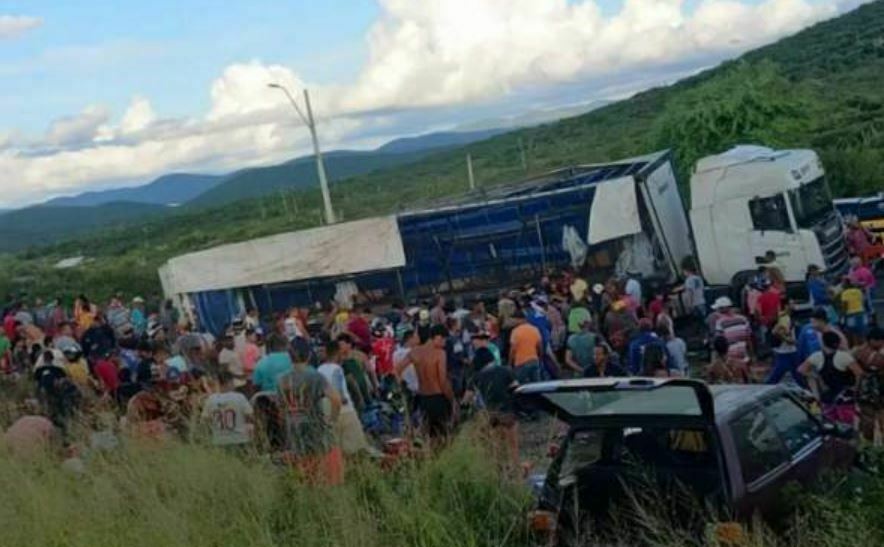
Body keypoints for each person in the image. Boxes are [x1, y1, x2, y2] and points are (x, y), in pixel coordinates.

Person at [277, 338, 343, 485]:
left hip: (294, 429)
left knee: (303, 474)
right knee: (324, 473)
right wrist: (332, 420)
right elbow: (336, 400)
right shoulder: (315, 376)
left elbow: (280, 410)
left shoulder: (281, 379)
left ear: (290, 356)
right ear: (308, 355)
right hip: (315, 429)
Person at [462, 347, 520, 470]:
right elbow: (517, 389)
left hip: (490, 414)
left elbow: (466, 399)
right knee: (512, 446)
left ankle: (497, 470)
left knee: (495, 446)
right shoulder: (506, 371)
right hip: (508, 413)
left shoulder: (476, 377)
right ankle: (515, 470)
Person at [396, 324, 454, 443]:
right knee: (443, 435)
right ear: (438, 337)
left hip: (423, 398)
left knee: (428, 435)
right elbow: (442, 380)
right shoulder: (440, 353)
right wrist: (451, 398)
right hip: (438, 398)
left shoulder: (415, 352)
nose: (444, 343)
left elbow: (397, 369)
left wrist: (403, 385)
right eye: (444, 340)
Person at [317, 340, 371, 455]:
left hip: (326, 409)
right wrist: (344, 399)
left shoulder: (319, 369)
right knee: (356, 446)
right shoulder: (337, 369)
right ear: (338, 354)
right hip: (344, 411)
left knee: (334, 445)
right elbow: (338, 390)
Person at [798, 331, 864, 419]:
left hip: (827, 397)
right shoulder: (844, 356)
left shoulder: (816, 356)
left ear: (823, 343)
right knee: (847, 425)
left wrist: (815, 375)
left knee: (830, 423)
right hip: (845, 397)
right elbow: (859, 373)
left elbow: (801, 370)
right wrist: (855, 389)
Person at [201, 370, 254, 449]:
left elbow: (204, 421)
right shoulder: (240, 397)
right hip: (240, 440)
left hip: (219, 442)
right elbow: (250, 416)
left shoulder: (211, 400)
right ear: (230, 382)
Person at [854, 327, 884, 443]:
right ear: (872, 340)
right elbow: (873, 363)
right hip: (867, 391)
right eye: (881, 341)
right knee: (868, 421)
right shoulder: (861, 351)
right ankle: (868, 446)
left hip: (878, 390)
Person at [337, 334, 373, 411]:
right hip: (351, 391)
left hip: (364, 386)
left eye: (342, 344)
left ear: (349, 344)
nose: (340, 347)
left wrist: (375, 386)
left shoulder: (359, 355)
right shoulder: (338, 360)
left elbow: (370, 371)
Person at [711, 297, 752, 362]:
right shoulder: (743, 319)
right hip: (744, 354)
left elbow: (719, 342)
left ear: (722, 309)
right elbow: (749, 338)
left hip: (729, 357)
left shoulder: (720, 323)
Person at [509, 309, 543, 384]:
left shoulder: (515, 331)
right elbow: (540, 346)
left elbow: (513, 350)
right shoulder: (535, 329)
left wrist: (510, 363)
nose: (513, 321)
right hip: (534, 361)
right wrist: (539, 358)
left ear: (520, 319)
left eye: (514, 319)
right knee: (536, 385)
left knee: (520, 386)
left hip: (521, 362)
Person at [765, 321, 803, 386]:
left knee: (799, 377)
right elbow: (772, 343)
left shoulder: (796, 328)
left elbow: (796, 342)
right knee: (774, 377)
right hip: (782, 354)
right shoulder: (775, 326)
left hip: (793, 354)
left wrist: (784, 337)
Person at [840, 277, 868, 345]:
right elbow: (863, 302)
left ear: (847, 283)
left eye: (843, 282)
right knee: (862, 334)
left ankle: (856, 350)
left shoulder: (845, 293)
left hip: (851, 315)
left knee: (853, 334)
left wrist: (842, 316)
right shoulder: (858, 291)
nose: (841, 284)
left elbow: (845, 306)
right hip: (861, 313)